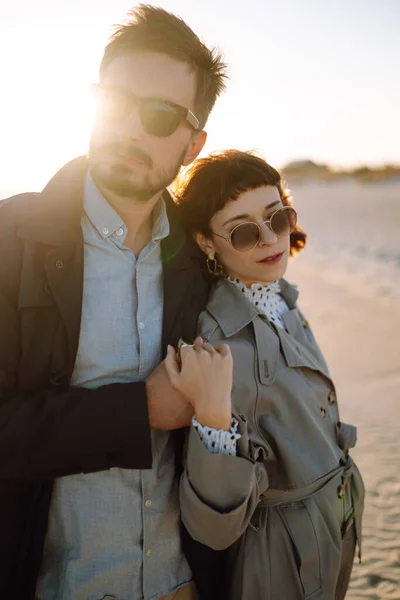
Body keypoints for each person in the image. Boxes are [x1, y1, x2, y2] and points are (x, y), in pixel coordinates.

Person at [0, 6, 228, 599]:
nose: (129, 127)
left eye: (158, 115)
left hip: (184, 585)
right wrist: (137, 412)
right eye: (115, 101)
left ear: (192, 143)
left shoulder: (204, 259)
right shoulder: (10, 239)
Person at [166, 149, 365, 600]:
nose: (270, 241)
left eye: (278, 219)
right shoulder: (215, 343)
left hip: (332, 530)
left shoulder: (279, 296)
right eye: (243, 232)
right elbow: (212, 528)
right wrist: (213, 417)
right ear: (205, 242)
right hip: (281, 560)